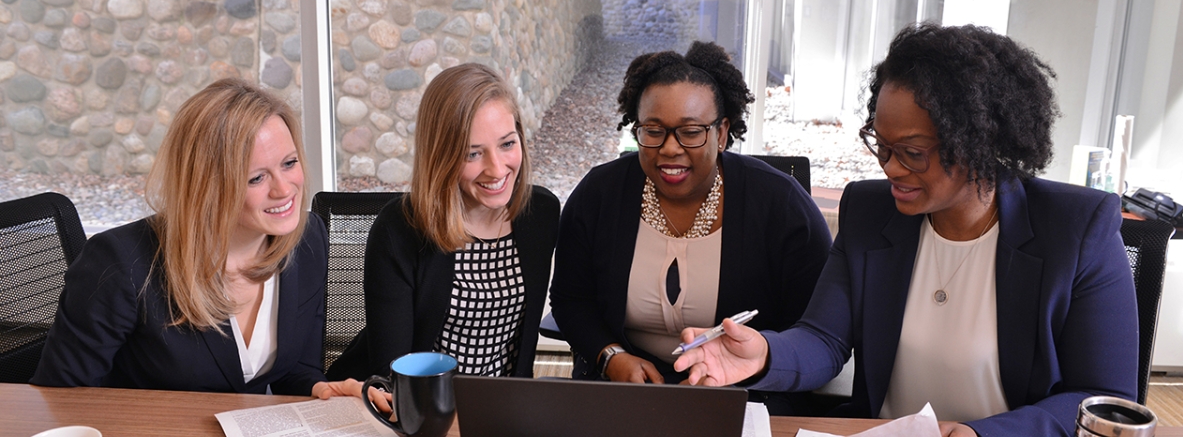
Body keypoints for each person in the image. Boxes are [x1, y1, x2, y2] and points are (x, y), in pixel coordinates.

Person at [674, 24, 1137, 436]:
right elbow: (824, 339)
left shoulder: (1077, 228)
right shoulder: (872, 211)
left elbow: (1102, 397)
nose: (890, 168)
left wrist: (983, 433)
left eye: (912, 152)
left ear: (978, 141)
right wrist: (764, 355)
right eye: (881, 144)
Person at [32, 78, 369, 402]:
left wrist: (320, 390)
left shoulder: (306, 239)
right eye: (256, 178)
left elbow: (294, 370)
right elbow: (59, 400)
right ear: (207, 186)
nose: (284, 189)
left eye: (289, 163)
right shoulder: (120, 263)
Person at [548, 41, 832, 413]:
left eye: (691, 131)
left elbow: (817, 334)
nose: (669, 148)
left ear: (722, 132)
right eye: (653, 131)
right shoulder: (599, 195)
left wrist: (756, 365)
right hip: (624, 392)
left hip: (747, 397)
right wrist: (611, 356)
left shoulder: (783, 206)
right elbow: (571, 300)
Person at [325, 63, 560, 380]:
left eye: (507, 143)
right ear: (441, 156)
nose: (497, 168)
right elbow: (391, 372)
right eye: (472, 154)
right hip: (409, 405)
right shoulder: (399, 229)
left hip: (496, 407)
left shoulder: (541, 213)